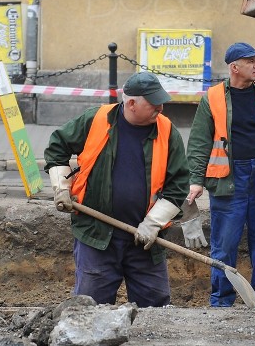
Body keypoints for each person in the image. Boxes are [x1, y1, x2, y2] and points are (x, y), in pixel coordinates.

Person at [43, 72, 192, 308]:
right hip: (96, 236)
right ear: (131, 103)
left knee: (155, 308)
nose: (161, 108)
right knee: (90, 307)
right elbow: (57, 148)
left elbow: (178, 186)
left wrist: (152, 224)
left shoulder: (167, 132)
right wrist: (61, 187)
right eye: (154, 103)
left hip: (144, 241)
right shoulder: (96, 120)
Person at [185, 42, 255, 310]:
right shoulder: (212, 98)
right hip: (228, 179)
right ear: (235, 67)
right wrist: (196, 180)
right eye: (250, 61)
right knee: (225, 244)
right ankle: (221, 301)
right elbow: (199, 142)